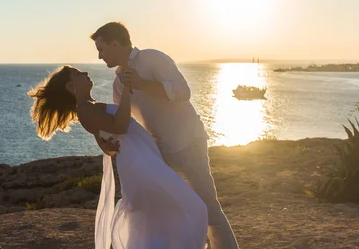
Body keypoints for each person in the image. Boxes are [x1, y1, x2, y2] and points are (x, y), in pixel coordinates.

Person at [91, 22, 239, 249]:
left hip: (188, 142)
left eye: (101, 49)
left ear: (114, 43)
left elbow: (183, 91)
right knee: (174, 210)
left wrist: (142, 84)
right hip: (160, 153)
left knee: (208, 207)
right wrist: (102, 141)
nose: (100, 55)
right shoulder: (118, 83)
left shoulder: (152, 58)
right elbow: (121, 122)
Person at [28, 66, 207, 248]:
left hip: (143, 159)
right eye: (78, 74)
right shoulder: (84, 109)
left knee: (158, 217)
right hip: (139, 163)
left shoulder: (88, 108)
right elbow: (120, 126)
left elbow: (102, 136)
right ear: (70, 86)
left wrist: (104, 144)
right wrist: (127, 93)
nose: (85, 74)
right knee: (190, 207)